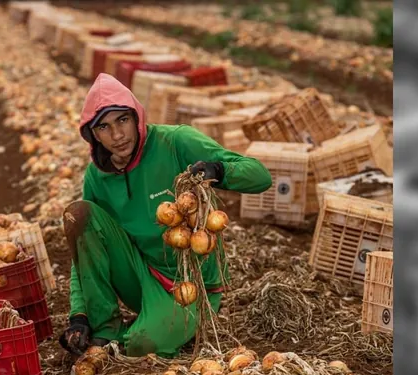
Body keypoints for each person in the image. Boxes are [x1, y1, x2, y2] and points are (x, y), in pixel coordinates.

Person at [58, 73, 273, 358]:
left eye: (122, 120)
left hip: (192, 285)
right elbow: (84, 252)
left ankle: (148, 330)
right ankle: (104, 329)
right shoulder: (97, 176)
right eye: (105, 127)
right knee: (78, 214)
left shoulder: (175, 141)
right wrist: (79, 315)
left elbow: (260, 176)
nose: (118, 135)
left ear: (136, 117)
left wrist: (219, 171)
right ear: (94, 134)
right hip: (140, 276)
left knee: (141, 345)